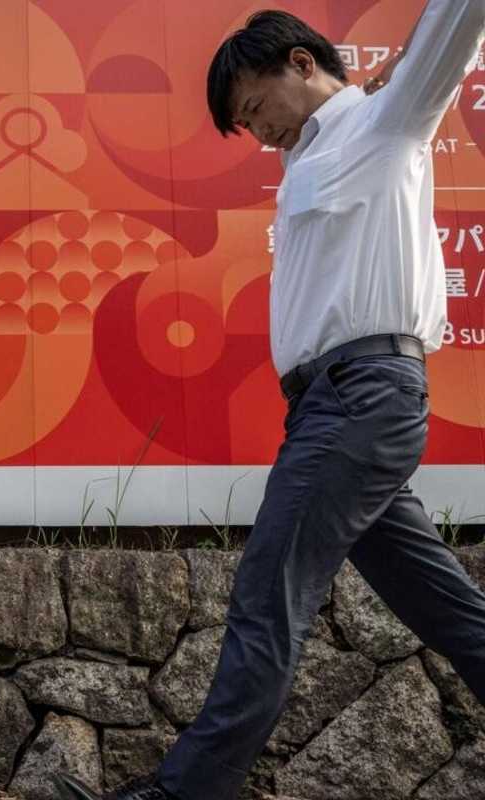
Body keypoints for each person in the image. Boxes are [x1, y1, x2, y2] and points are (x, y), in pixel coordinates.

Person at [53, 4, 485, 799]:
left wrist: (396, 75)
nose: (257, 136)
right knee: (455, 617)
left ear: (297, 62)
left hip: (365, 397)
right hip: (333, 407)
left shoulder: (389, 121)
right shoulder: (310, 158)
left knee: (267, 591)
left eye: (254, 110)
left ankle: (184, 793)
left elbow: (459, 24)